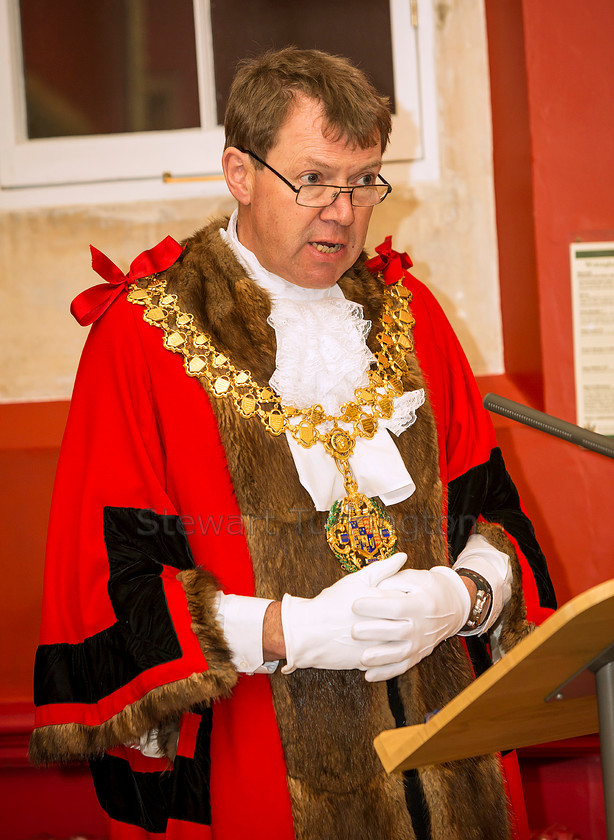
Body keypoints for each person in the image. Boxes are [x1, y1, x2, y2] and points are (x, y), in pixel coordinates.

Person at [30, 48, 555, 840]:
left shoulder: (414, 315)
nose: (343, 211)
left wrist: (465, 599)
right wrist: (293, 632)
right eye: (313, 180)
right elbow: (111, 582)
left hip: (452, 769)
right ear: (240, 172)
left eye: (364, 180)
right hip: (254, 765)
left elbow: (494, 520)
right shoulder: (142, 338)